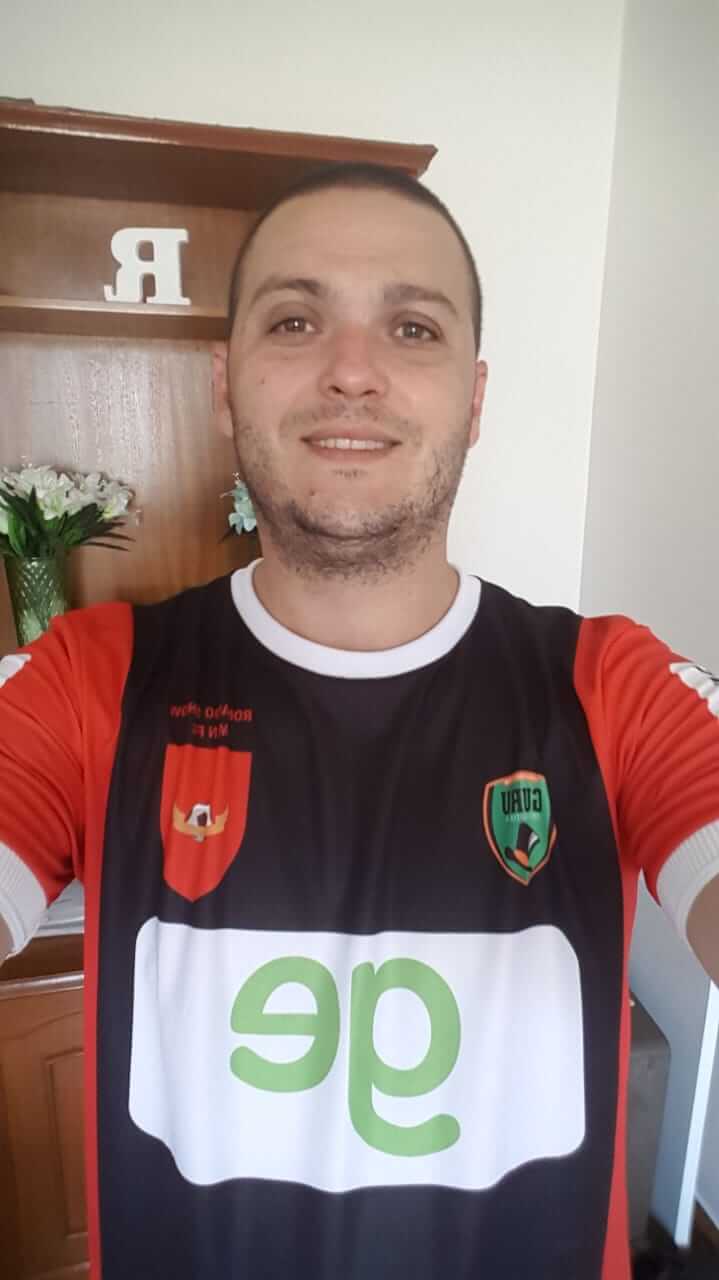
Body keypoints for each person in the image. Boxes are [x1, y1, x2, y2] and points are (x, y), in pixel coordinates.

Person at [1, 163, 718, 1280]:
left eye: (411, 327)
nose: (350, 370)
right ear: (225, 386)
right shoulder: (89, 679)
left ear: (473, 399)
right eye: (294, 320)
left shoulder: (609, 683)